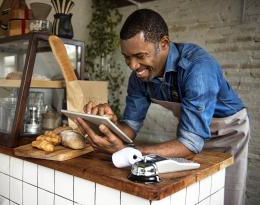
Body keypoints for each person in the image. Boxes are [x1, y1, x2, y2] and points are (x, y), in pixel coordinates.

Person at [76, 9, 250, 205]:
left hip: (229, 131)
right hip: (189, 132)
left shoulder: (198, 67)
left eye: (140, 55)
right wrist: (107, 126)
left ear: (164, 44)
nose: (133, 66)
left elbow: (190, 145)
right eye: (127, 57)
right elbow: (130, 127)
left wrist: (130, 152)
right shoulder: (139, 77)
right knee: (195, 192)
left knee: (227, 194)